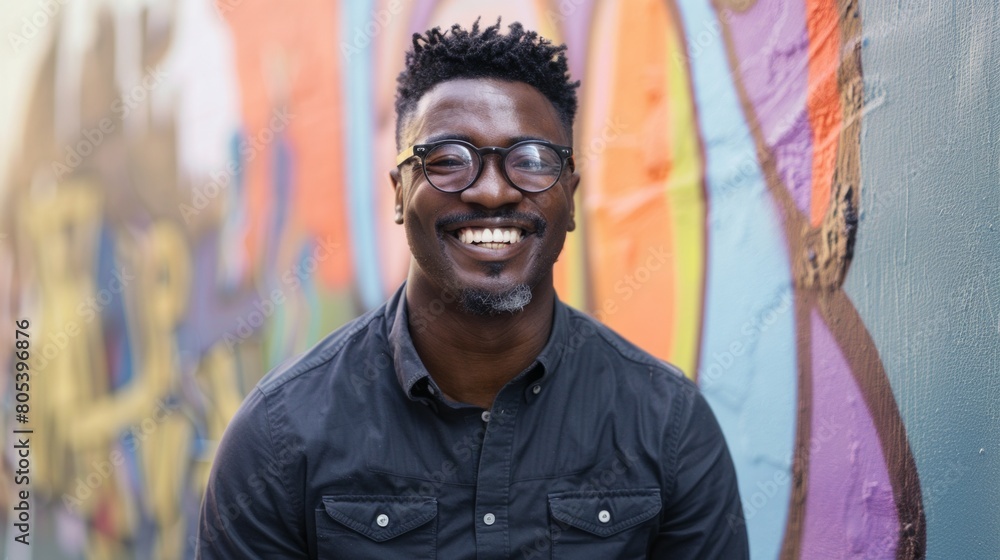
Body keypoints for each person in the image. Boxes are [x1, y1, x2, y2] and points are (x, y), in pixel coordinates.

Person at [197, 19, 748, 559]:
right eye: (448, 160)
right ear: (398, 193)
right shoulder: (278, 436)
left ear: (571, 195)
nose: (490, 191)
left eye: (530, 161)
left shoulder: (667, 427)